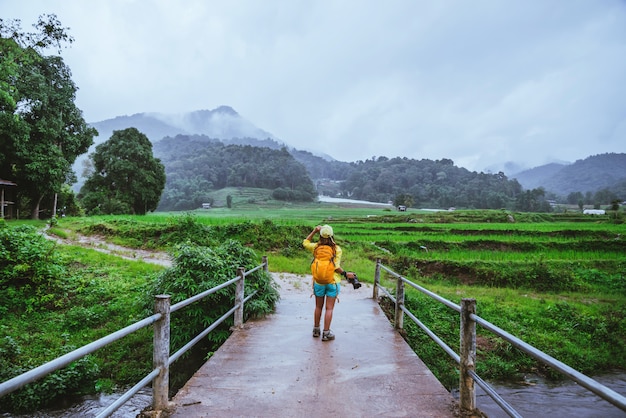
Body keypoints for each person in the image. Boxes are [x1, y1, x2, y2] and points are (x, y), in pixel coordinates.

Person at [303, 224, 356, 341]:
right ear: (332, 235)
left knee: (318, 307)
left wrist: (314, 231)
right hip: (332, 281)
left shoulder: (316, 246)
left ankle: (316, 330)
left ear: (321, 235)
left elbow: (305, 243)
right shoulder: (337, 249)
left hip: (318, 281)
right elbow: (336, 267)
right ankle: (326, 333)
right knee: (329, 309)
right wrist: (345, 273)